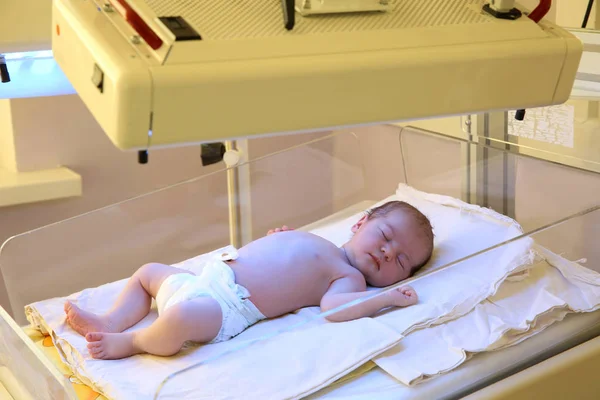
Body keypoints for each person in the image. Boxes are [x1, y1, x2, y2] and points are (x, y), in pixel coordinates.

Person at [64, 200, 434, 360]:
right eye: (386, 237)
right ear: (359, 223)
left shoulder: (349, 277)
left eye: (401, 260)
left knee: (177, 320)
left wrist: (386, 299)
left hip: (224, 309)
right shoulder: (322, 243)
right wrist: (280, 237)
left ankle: (132, 341)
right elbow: (284, 259)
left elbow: (334, 310)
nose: (388, 252)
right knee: (147, 272)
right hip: (203, 278)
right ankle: (111, 320)